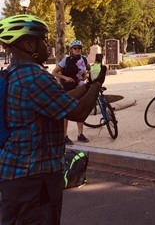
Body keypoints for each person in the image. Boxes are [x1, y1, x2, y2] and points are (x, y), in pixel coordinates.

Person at [0, 14, 102, 224]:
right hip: (35, 176)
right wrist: (98, 83)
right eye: (44, 40)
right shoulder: (35, 78)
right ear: (29, 44)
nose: (47, 45)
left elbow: (57, 100)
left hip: (14, 171)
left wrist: (86, 87)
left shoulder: (11, 74)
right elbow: (78, 113)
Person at [52, 39, 91, 145]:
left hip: (80, 87)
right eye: (75, 48)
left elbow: (89, 69)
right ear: (71, 50)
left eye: (79, 48)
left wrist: (86, 75)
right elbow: (54, 72)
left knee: (80, 109)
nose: (77, 50)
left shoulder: (84, 60)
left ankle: (80, 134)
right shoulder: (66, 61)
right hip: (68, 88)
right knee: (66, 112)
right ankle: (64, 135)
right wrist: (65, 77)